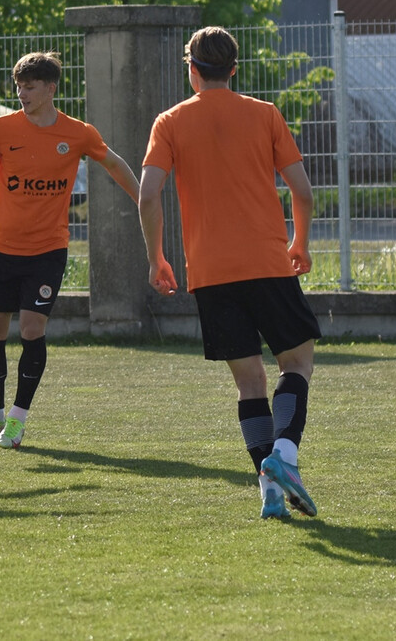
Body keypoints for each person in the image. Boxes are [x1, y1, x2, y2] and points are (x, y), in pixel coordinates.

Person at [138, 26, 323, 520]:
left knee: (249, 384)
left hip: (210, 273)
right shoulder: (264, 115)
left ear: (192, 69)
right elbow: (302, 192)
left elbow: (148, 192)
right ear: (234, 68)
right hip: (267, 262)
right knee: (297, 364)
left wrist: (156, 256)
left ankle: (267, 489)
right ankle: (283, 457)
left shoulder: (170, 121)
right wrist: (299, 242)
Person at [0, 51, 140, 449]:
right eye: (18, 86)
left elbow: (113, 164)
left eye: (29, 87)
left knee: (31, 328)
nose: (21, 93)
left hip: (47, 251)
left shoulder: (78, 133)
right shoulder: (1, 130)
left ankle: (17, 420)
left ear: (50, 88)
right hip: (2, 248)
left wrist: (144, 197)